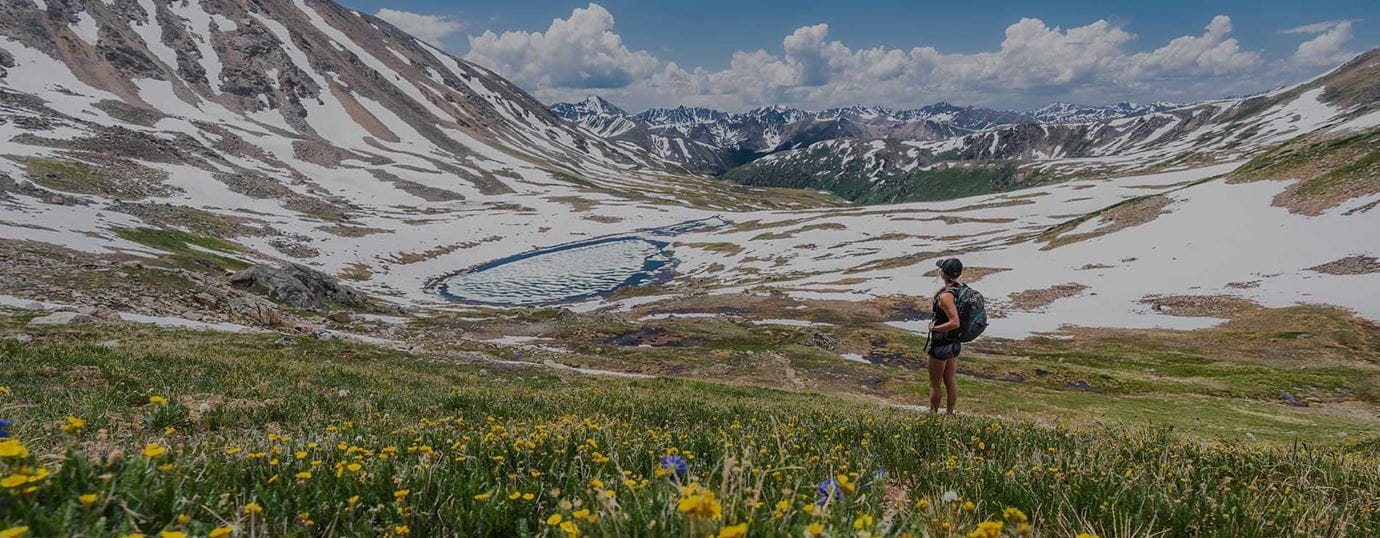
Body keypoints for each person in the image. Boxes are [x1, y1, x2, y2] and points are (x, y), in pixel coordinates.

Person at [927, 258, 965, 415]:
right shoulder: (961, 290)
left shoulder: (946, 296)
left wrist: (935, 328)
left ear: (943, 273)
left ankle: (933, 414)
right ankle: (950, 413)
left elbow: (954, 322)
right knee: (950, 380)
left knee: (935, 383)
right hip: (954, 342)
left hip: (942, 343)